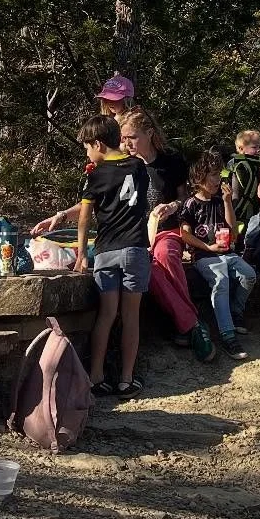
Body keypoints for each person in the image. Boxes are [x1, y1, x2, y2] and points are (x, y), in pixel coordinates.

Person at [120, 107, 215, 363]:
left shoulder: (171, 161)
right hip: (135, 234)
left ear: (149, 133)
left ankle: (185, 324)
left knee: (167, 255)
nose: (126, 143)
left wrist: (173, 205)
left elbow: (185, 196)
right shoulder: (124, 165)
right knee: (147, 268)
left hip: (169, 229)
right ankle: (192, 323)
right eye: (123, 137)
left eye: (132, 137)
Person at [71, 114, 154, 398]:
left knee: (106, 314)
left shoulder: (94, 174)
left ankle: (95, 376)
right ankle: (126, 379)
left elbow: (84, 219)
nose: (87, 153)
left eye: (87, 147)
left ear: (98, 144)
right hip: (134, 249)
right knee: (131, 316)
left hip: (105, 251)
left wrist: (82, 254)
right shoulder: (139, 167)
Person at [32, 73, 138, 235]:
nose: (110, 102)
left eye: (116, 99)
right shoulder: (104, 123)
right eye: (107, 98)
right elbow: (89, 202)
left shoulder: (133, 124)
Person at [177, 147, 257, 359]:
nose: (218, 180)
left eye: (219, 174)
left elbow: (233, 235)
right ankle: (228, 335)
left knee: (249, 274)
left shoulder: (220, 200)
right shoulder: (190, 204)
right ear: (199, 176)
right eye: (213, 175)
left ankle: (235, 312)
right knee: (220, 280)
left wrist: (228, 202)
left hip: (226, 252)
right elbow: (184, 235)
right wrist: (207, 248)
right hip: (204, 256)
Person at [221, 130, 260, 238]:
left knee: (253, 229)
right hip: (237, 204)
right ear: (241, 148)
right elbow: (224, 177)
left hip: (255, 204)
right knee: (238, 229)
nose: (258, 150)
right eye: (254, 147)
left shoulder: (259, 162)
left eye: (259, 147)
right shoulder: (233, 162)